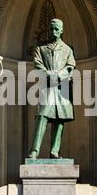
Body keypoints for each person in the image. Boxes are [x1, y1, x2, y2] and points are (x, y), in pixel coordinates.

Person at [28, 18, 75, 159]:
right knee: (42, 116)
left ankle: (55, 151)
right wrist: (49, 74)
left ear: (62, 30)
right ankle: (34, 151)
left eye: (56, 29)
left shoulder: (67, 49)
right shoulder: (40, 48)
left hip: (62, 88)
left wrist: (59, 76)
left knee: (59, 120)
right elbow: (37, 64)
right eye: (52, 29)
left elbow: (70, 66)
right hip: (47, 86)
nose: (54, 31)